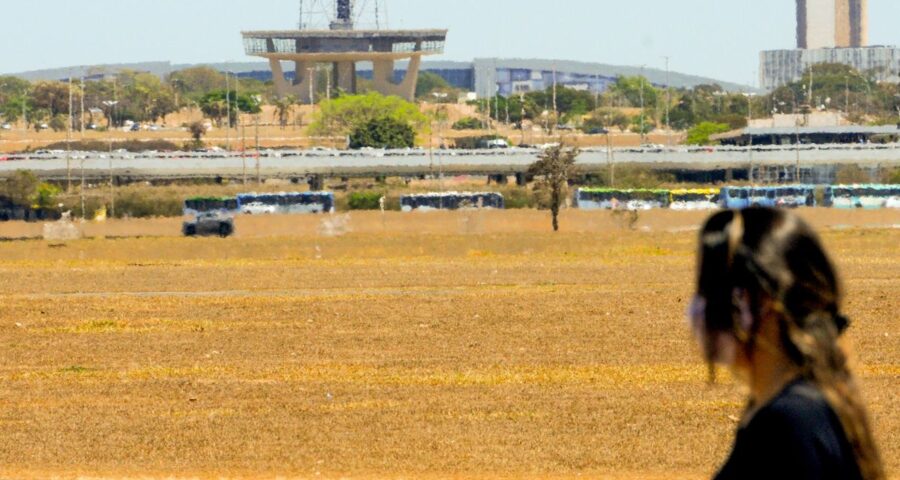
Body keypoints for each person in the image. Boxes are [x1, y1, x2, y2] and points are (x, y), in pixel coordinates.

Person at [689, 208, 885, 480]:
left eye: (712, 288)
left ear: (764, 298)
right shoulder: (787, 407)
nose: (700, 306)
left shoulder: (790, 422)